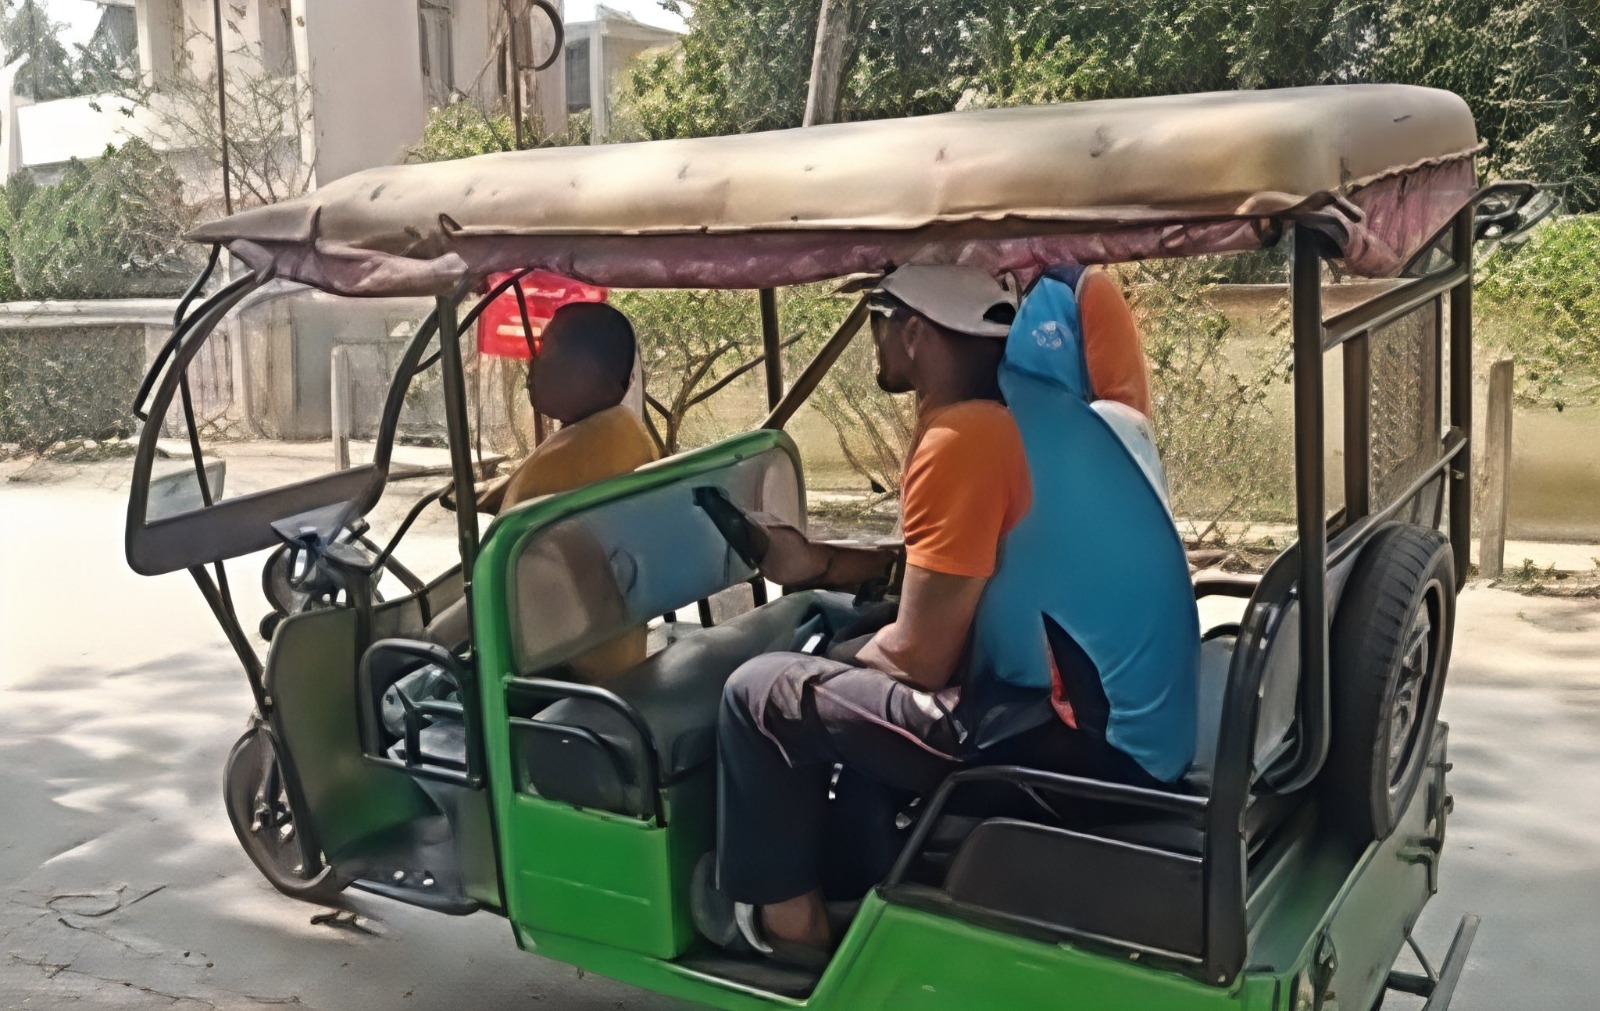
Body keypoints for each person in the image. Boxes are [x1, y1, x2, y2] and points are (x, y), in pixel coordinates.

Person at [700, 262, 1191, 968]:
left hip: (1087, 753)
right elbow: (962, 566)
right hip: (1137, 733)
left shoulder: (961, 438)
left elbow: (919, 658)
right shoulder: (1034, 408)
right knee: (846, 648)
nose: (873, 337)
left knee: (756, 694)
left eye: (876, 317)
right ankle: (855, 877)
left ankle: (789, 932)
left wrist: (815, 664)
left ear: (914, 332)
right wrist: (819, 566)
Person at [427, 302, 659, 681]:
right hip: (616, 649)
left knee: (410, 656)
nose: (531, 363)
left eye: (545, 349)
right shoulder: (627, 434)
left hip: (560, 668)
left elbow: (496, 577)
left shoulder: (563, 462)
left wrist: (431, 639)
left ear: (585, 369)